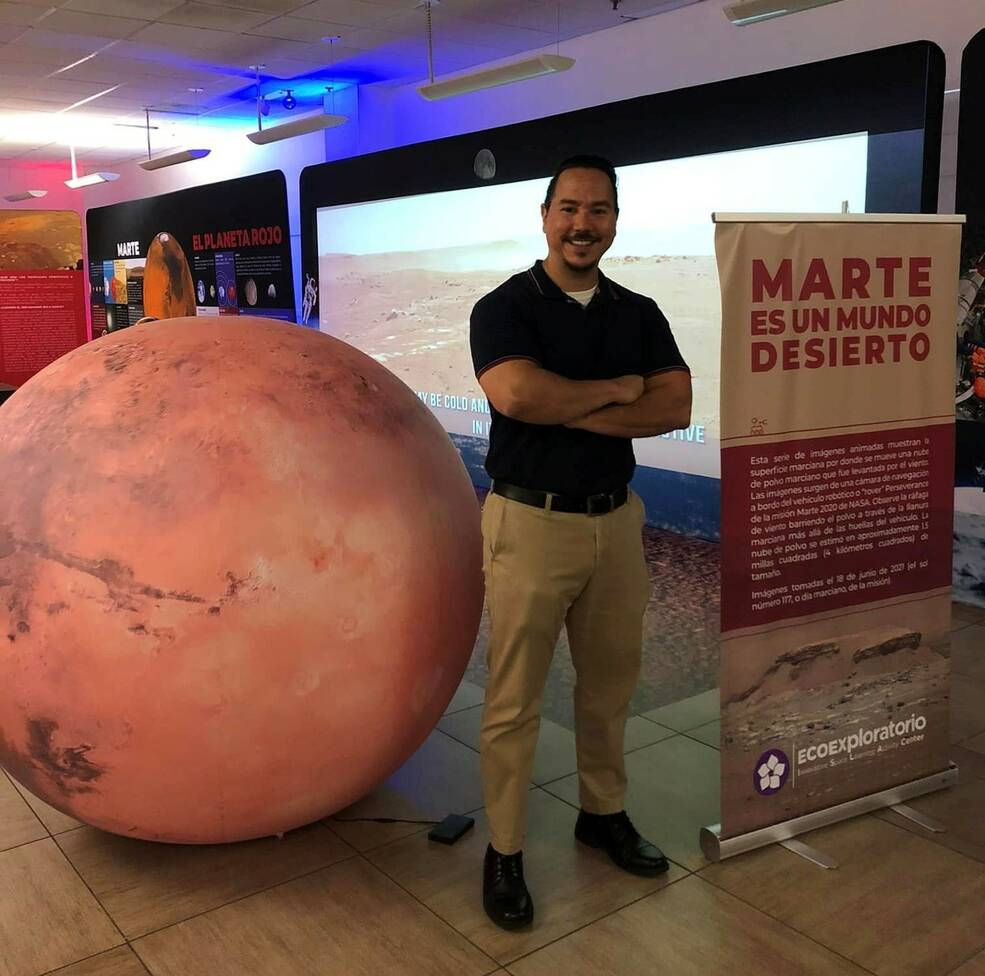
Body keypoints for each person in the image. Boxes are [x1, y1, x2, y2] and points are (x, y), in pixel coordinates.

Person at [469, 155, 692, 931]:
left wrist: (568, 406)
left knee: (607, 688)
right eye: (568, 208)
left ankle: (601, 814)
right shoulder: (504, 307)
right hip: (529, 523)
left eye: (598, 210)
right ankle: (503, 850)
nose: (582, 224)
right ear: (543, 215)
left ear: (615, 221)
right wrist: (612, 390)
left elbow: (674, 403)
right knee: (514, 701)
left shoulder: (636, 311)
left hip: (615, 522)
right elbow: (517, 394)